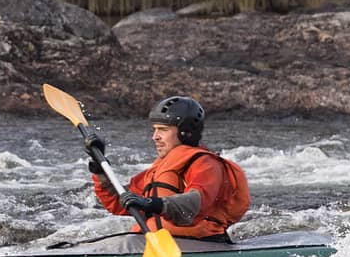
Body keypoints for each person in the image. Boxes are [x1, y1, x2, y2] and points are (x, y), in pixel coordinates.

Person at [88, 96, 250, 240]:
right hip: (155, 240)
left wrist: (152, 203)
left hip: (200, 243)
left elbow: (195, 204)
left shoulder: (206, 164)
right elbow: (120, 202)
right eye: (155, 129)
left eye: (163, 130)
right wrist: (100, 171)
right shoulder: (162, 166)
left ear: (185, 132)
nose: (155, 136)